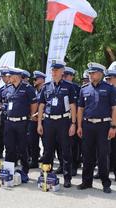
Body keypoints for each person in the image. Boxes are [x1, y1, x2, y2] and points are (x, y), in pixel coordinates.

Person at [77, 62, 116, 193]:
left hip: (104, 126)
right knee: (87, 154)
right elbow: (80, 109)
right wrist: (79, 126)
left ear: (100, 74)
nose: (90, 75)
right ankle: (86, 181)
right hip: (87, 125)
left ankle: (106, 183)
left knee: (103, 154)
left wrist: (113, 126)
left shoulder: (110, 89)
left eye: (93, 73)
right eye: (89, 73)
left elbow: (114, 109)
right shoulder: (84, 89)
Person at [37, 60, 77, 188]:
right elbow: (41, 106)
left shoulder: (69, 87)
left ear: (61, 72)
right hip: (48, 121)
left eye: (56, 70)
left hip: (63, 121)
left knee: (66, 150)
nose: (53, 73)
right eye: (52, 70)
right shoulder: (46, 87)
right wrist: (39, 123)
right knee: (48, 150)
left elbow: (73, 106)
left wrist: (73, 123)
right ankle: (47, 175)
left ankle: (67, 177)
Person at [4, 67, 38, 175]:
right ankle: (8, 169)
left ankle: (24, 170)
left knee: (22, 147)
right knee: (9, 147)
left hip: (22, 122)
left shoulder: (28, 88)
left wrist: (31, 116)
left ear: (16, 76)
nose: (8, 78)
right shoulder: (9, 88)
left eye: (10, 76)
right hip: (9, 122)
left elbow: (34, 104)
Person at [63, 66, 82, 176]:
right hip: (62, 119)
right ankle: (63, 165)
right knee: (61, 144)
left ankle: (74, 166)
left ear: (72, 76)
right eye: (63, 75)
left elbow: (79, 106)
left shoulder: (76, 87)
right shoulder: (59, 86)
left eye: (67, 75)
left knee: (74, 144)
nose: (64, 77)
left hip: (72, 119)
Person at [28, 71, 46, 169]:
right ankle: (34, 160)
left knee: (46, 142)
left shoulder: (46, 90)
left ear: (42, 79)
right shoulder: (34, 91)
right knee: (33, 142)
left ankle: (47, 162)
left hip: (43, 120)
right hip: (33, 120)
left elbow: (47, 105)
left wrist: (38, 114)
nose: (34, 81)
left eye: (36, 79)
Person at [105, 68, 116, 181]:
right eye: (107, 79)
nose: (108, 81)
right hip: (107, 124)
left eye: (110, 78)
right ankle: (105, 171)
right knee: (106, 150)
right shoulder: (107, 91)